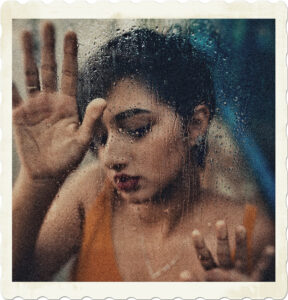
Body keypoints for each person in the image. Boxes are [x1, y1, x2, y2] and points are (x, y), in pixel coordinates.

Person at [12, 22, 274, 282]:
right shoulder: (90, 195)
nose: (111, 158)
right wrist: (36, 181)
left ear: (195, 124)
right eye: (100, 139)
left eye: (137, 129)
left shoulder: (251, 234)